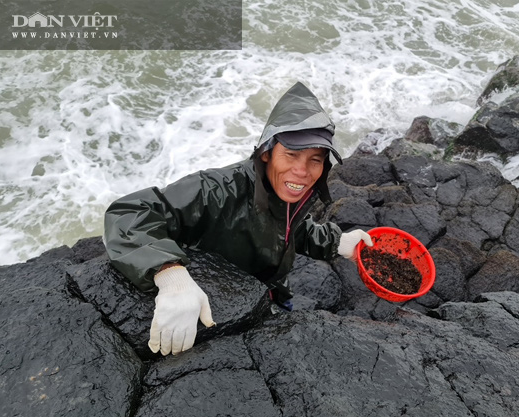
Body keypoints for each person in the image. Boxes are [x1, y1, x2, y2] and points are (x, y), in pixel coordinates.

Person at [103, 82, 373, 356]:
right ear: (266, 153)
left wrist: (337, 242)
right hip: (217, 309)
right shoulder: (215, 189)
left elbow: (291, 229)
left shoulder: (289, 194)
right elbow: (128, 212)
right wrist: (170, 274)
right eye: (291, 155)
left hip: (272, 295)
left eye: (315, 160)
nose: (302, 171)